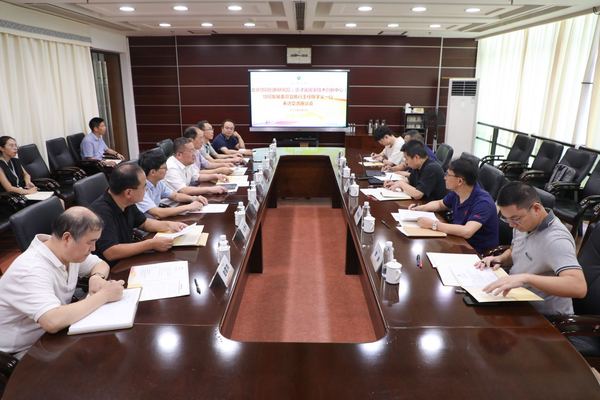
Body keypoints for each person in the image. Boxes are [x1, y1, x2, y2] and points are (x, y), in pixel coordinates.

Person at [0, 207, 125, 358]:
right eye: (90, 242)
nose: (93, 248)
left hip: (53, 336)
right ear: (67, 238)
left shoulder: (64, 250)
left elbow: (100, 264)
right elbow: (52, 321)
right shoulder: (31, 269)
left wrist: (96, 277)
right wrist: (104, 295)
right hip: (21, 351)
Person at [476, 181, 586, 315]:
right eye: (507, 219)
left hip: (543, 316)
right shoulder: (524, 224)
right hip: (517, 298)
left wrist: (526, 278)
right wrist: (501, 258)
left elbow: (579, 287)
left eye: (515, 219)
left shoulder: (556, 240)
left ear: (536, 209)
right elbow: (516, 250)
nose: (511, 225)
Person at [90, 162, 188, 266]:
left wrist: (170, 225)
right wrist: (151, 244)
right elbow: (111, 252)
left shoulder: (126, 201)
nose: (146, 190)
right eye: (144, 186)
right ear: (128, 193)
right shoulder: (101, 212)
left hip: (127, 258)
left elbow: (144, 223)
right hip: (112, 268)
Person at [408, 158, 499, 253]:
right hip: (458, 241)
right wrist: (420, 208)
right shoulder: (458, 192)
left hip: (477, 252)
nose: (444, 178)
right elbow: (440, 204)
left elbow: (467, 231)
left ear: (460, 181)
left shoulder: (483, 202)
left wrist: (433, 224)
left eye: (448, 174)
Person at [137, 149, 206, 218]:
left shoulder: (159, 182)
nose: (167, 170)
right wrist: (188, 207)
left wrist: (193, 198)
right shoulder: (140, 188)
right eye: (164, 168)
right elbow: (158, 213)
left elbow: (175, 196)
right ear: (153, 172)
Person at [163, 137, 228, 204]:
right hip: (171, 204)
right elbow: (184, 190)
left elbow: (197, 176)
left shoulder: (186, 161)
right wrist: (210, 189)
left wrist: (215, 176)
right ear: (179, 155)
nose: (194, 154)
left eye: (194, 150)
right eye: (191, 151)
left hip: (184, 199)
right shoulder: (171, 167)